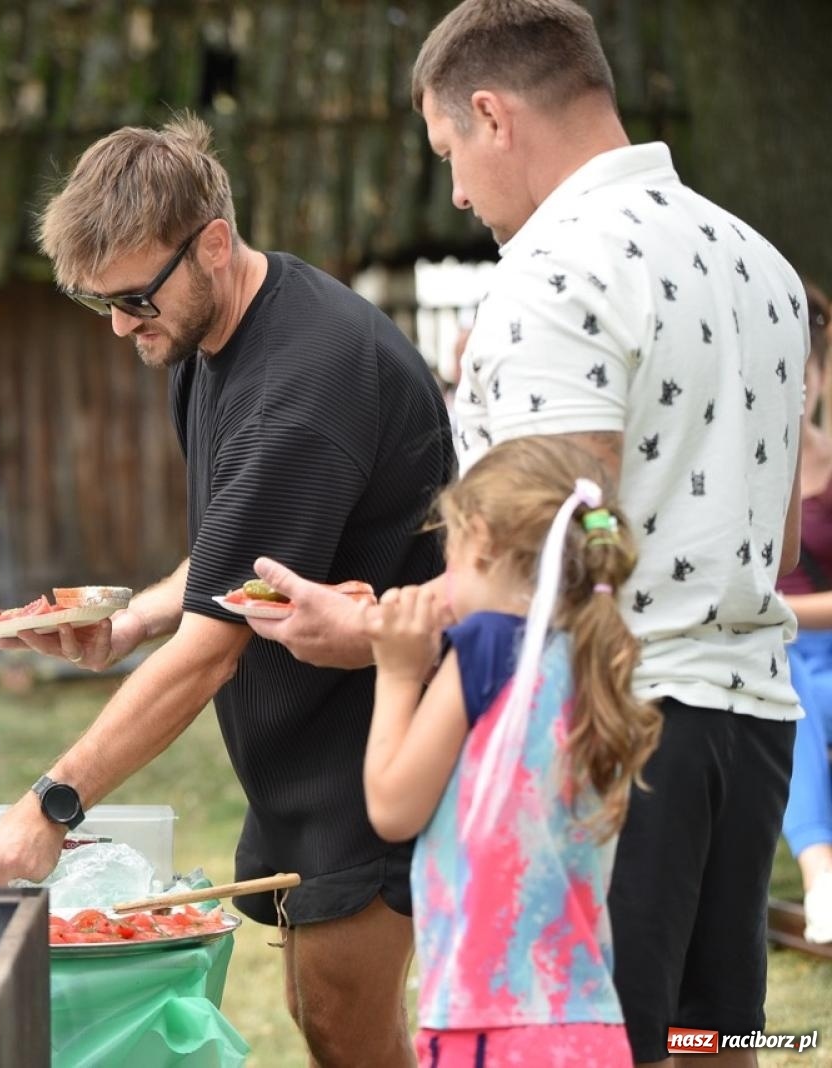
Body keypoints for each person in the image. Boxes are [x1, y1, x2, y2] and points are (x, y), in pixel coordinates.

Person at [252, 3, 810, 1063]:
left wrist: (376, 634)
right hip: (751, 722)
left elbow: (552, 549)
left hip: (606, 733)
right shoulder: (762, 265)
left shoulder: (553, 269)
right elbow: (776, 547)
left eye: (448, 151)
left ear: (491, 114)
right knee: (710, 1049)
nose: (455, 191)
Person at [0, 115, 453, 1065]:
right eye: (97, 303)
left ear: (215, 244)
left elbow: (210, 652)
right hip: (303, 738)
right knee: (323, 1020)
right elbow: (248, 545)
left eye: (135, 300)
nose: (120, 326)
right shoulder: (205, 335)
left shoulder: (305, 387)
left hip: (376, 737)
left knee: (348, 1033)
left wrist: (52, 804)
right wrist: (133, 619)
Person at [364, 437, 661, 1067]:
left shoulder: (488, 644)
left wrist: (396, 673)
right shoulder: (599, 656)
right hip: (591, 1025)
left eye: (448, 552)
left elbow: (393, 806)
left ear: (481, 540)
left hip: (488, 1027)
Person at [775, 281, 832, 943]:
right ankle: (820, 872)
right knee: (789, 690)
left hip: (808, 643)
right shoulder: (743, 463)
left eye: (806, 372)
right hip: (777, 657)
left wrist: (781, 613)